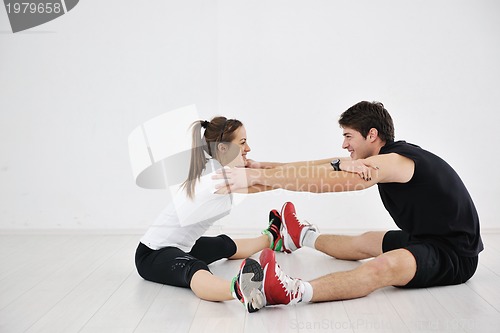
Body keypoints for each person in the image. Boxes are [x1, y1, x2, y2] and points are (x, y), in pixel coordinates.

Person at [215, 101, 483, 306]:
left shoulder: (394, 162)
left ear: (372, 135)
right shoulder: (385, 155)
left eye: (348, 136)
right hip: (425, 238)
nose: (344, 145)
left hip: (454, 255)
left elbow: (332, 181)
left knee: (383, 266)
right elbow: (318, 167)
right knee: (366, 242)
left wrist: (259, 176)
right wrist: (265, 168)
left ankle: (293, 291)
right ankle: (299, 235)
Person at [134, 116, 284, 313]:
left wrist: (325, 166)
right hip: (153, 255)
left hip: (181, 247)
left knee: (222, 244)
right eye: (242, 142)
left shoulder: (219, 169)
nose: (248, 149)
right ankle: (238, 288)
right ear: (223, 149)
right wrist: (318, 172)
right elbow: (270, 180)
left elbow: (269, 175)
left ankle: (273, 238)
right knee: (194, 268)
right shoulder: (215, 177)